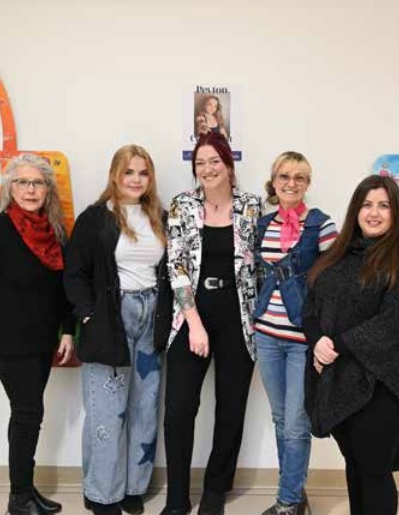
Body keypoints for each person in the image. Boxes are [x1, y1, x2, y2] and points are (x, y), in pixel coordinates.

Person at [303, 175, 399, 515]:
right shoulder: (338, 255)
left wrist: (337, 346)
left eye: (383, 205)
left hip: (385, 385)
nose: (374, 213)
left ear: (396, 212)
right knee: (357, 465)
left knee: (374, 470)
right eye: (367, 204)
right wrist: (318, 342)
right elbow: (311, 307)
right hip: (342, 380)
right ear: (356, 210)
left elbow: (395, 322)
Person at [64, 145, 173, 515]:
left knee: (144, 406)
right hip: (111, 318)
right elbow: (74, 273)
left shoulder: (159, 215)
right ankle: (101, 493)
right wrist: (89, 316)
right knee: (106, 411)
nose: (136, 180)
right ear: (115, 175)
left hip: (152, 315)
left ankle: (132, 488)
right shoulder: (96, 218)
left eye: (143, 173)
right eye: (129, 172)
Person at [0, 153, 74, 515]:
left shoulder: (55, 232)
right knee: (28, 413)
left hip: (42, 339)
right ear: (10, 188)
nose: (30, 189)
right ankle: (19, 498)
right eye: (23, 182)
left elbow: (64, 289)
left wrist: (67, 331)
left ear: (47, 190)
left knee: (28, 414)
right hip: (8, 339)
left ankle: (25, 490)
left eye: (38, 183)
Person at [161, 131, 260, 515]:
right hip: (191, 315)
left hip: (239, 317)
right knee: (179, 409)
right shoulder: (182, 205)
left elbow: (260, 263)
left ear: (229, 164)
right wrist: (195, 324)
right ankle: (176, 496)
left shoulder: (250, 206)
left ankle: (216, 491)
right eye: (200, 163)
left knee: (231, 407)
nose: (207, 169)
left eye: (214, 161)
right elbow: (177, 266)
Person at [253, 152, 338, 515]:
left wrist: (327, 335)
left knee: (295, 424)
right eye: (284, 176)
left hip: (302, 340)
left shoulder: (322, 225)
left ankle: (287, 502)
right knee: (279, 419)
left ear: (308, 184)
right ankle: (294, 490)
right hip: (266, 335)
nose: (291, 183)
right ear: (273, 181)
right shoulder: (262, 224)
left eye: (299, 177)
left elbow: (335, 283)